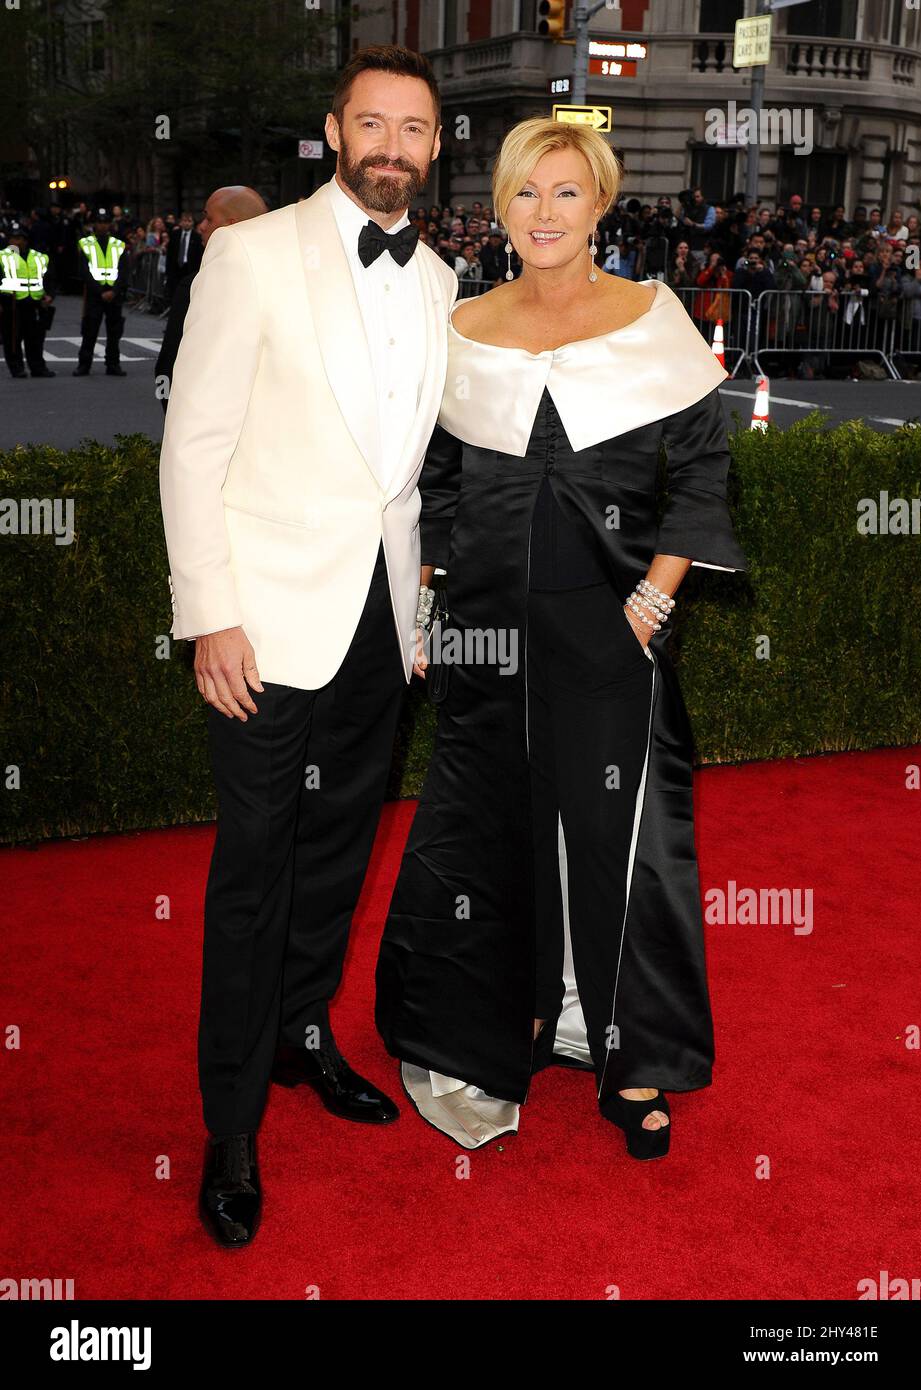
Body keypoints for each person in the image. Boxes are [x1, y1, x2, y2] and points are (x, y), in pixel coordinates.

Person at [376, 117, 748, 1156]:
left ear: (600, 204)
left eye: (566, 193)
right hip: (482, 629)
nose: (545, 213)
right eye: (525, 193)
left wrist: (658, 595)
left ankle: (628, 1058)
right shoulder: (460, 324)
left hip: (604, 624)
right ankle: (497, 1029)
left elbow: (704, 473)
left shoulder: (652, 317)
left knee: (613, 841)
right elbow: (436, 487)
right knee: (480, 827)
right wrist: (426, 603)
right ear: (499, 206)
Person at [159, 44, 457, 1249]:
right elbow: (193, 443)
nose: (392, 145)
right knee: (250, 877)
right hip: (265, 625)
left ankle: (302, 1035)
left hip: (381, 625)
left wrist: (423, 609)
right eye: (372, 123)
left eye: (415, 129)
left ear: (436, 149)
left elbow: (416, 480)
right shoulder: (251, 252)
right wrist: (208, 610)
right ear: (336, 130)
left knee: (337, 859)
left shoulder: (441, 278)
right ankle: (229, 1123)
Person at [155, 186, 268, 412]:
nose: (201, 227)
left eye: (208, 218)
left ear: (231, 225)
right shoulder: (291, 279)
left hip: (210, 419)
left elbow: (169, 364)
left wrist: (174, 415)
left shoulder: (198, 285)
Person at [73, 207, 129, 376]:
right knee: (90, 331)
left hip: (114, 293)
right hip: (95, 293)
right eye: (99, 222)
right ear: (94, 224)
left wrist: (115, 290)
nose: (102, 226)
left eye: (105, 222)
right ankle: (84, 364)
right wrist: (100, 292)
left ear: (109, 224)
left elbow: (124, 270)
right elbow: (84, 271)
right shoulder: (85, 243)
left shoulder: (118, 244)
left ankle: (113, 364)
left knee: (114, 332)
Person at [0, 221, 56, 378]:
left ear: (25, 240)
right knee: (12, 339)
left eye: (18, 238)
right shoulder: (2, 257)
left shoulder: (39, 257)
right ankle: (16, 368)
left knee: (35, 339)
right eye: (12, 238)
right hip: (11, 303)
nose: (15, 241)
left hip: (35, 304)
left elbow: (49, 278)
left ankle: (38, 367)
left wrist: (50, 295)